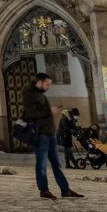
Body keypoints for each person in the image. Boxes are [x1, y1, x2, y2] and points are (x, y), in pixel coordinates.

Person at [22, 72, 83, 200]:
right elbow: (30, 113)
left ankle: (65, 189)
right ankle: (44, 190)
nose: (49, 87)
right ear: (40, 82)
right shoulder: (29, 94)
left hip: (49, 133)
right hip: (40, 134)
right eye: (47, 84)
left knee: (56, 163)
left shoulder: (39, 95)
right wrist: (49, 111)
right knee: (42, 163)